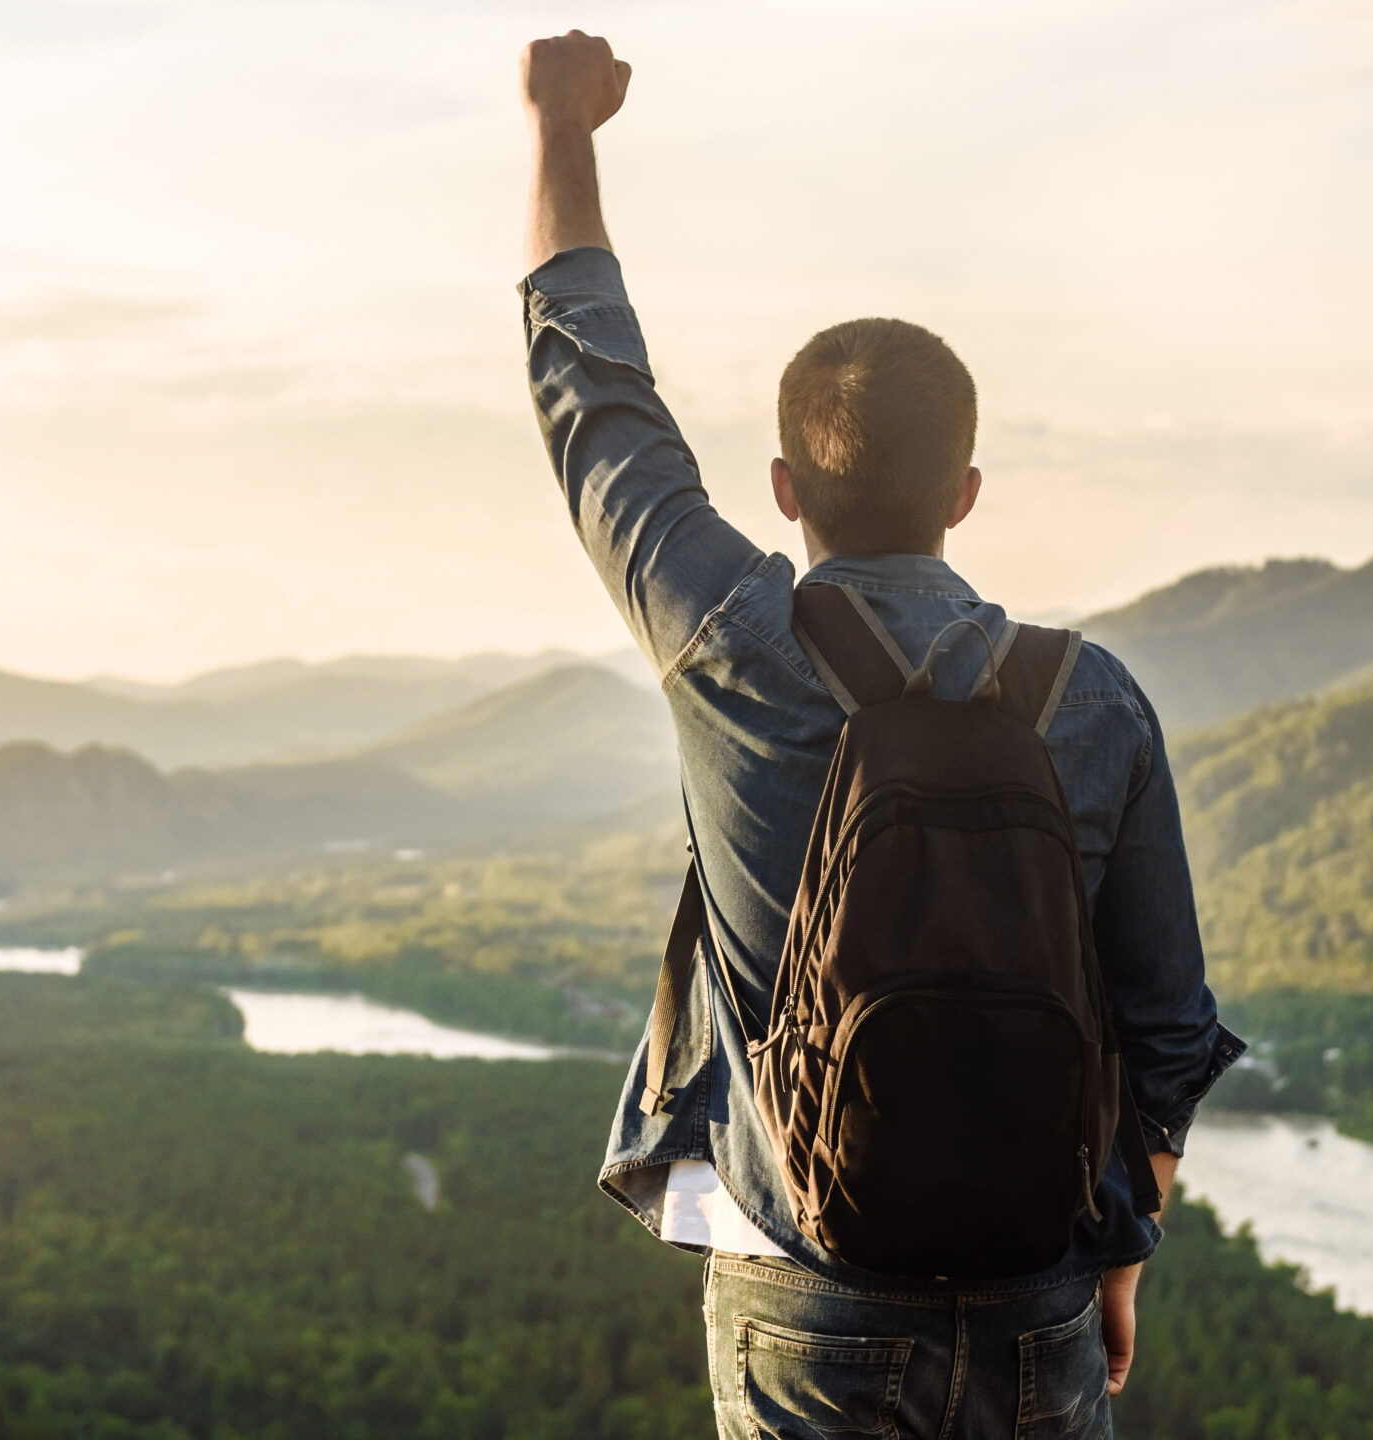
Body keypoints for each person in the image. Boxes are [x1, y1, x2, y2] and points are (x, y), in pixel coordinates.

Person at [516, 30, 1242, 1438]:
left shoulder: (730, 641)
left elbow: (593, 402)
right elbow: (1167, 1035)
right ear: (965, 493)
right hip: (1043, 1297)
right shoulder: (1094, 700)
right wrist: (1119, 1254)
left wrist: (563, 130)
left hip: (807, 1295)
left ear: (785, 484)